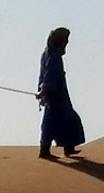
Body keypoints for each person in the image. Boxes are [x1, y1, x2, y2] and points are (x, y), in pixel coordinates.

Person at [37, 27, 86, 159]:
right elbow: (49, 75)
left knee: (69, 119)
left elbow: (43, 75)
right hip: (55, 94)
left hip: (57, 93)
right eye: (65, 40)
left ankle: (68, 148)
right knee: (51, 122)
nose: (67, 43)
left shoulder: (50, 53)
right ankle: (44, 151)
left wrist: (41, 89)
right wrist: (44, 89)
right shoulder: (53, 56)